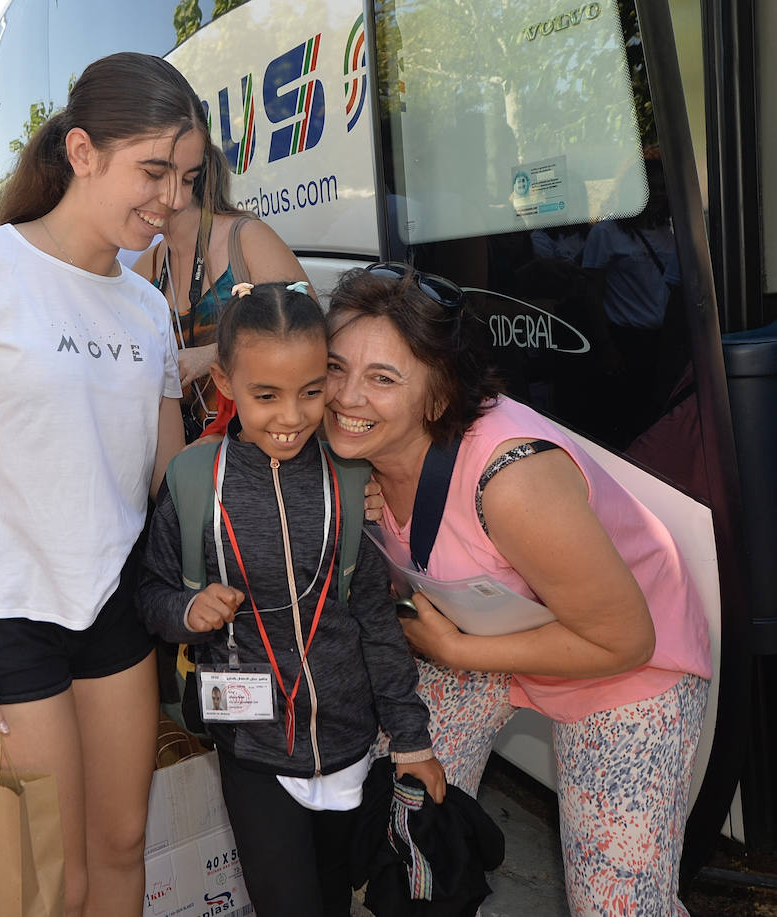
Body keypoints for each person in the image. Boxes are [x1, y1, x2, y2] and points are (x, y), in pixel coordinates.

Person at [0, 52, 198, 917]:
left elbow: (167, 476)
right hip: (0, 613)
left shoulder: (145, 307)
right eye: (154, 171)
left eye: (187, 177)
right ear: (83, 152)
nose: (171, 198)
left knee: (123, 844)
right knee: (40, 881)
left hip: (113, 607)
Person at [322, 263, 712, 914]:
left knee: (616, 905)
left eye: (383, 378)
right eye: (335, 367)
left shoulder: (511, 479)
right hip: (480, 633)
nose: (346, 396)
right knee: (406, 819)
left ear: (439, 397)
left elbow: (623, 637)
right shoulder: (349, 451)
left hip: (622, 661)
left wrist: (454, 648)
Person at [137, 281, 443, 916]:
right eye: (265, 395)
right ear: (224, 382)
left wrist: (411, 739)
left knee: (334, 899)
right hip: (251, 746)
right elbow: (151, 592)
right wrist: (185, 613)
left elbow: (375, 622)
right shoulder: (195, 481)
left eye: (311, 391)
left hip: (350, 745)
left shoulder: (351, 476)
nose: (292, 417)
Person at [133, 143, 310, 441]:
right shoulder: (149, 264)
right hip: (186, 455)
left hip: (262, 443)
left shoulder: (246, 238)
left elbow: (308, 327)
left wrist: (210, 356)